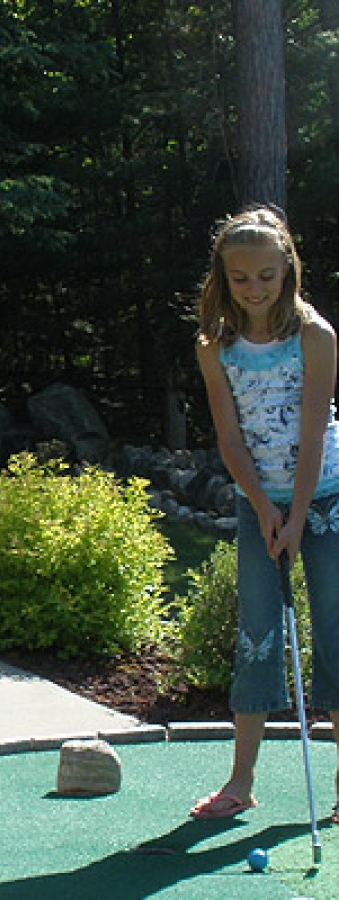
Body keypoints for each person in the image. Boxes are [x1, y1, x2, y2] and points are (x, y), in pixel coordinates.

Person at [190, 206, 339, 821]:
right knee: (255, 633)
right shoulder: (215, 345)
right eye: (240, 277)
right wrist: (262, 506)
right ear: (223, 277)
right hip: (258, 500)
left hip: (326, 498)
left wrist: (297, 514)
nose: (254, 289)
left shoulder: (315, 336)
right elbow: (229, 437)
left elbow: (311, 433)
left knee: (335, 629)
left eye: (266, 276)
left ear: (288, 271)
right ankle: (241, 781)